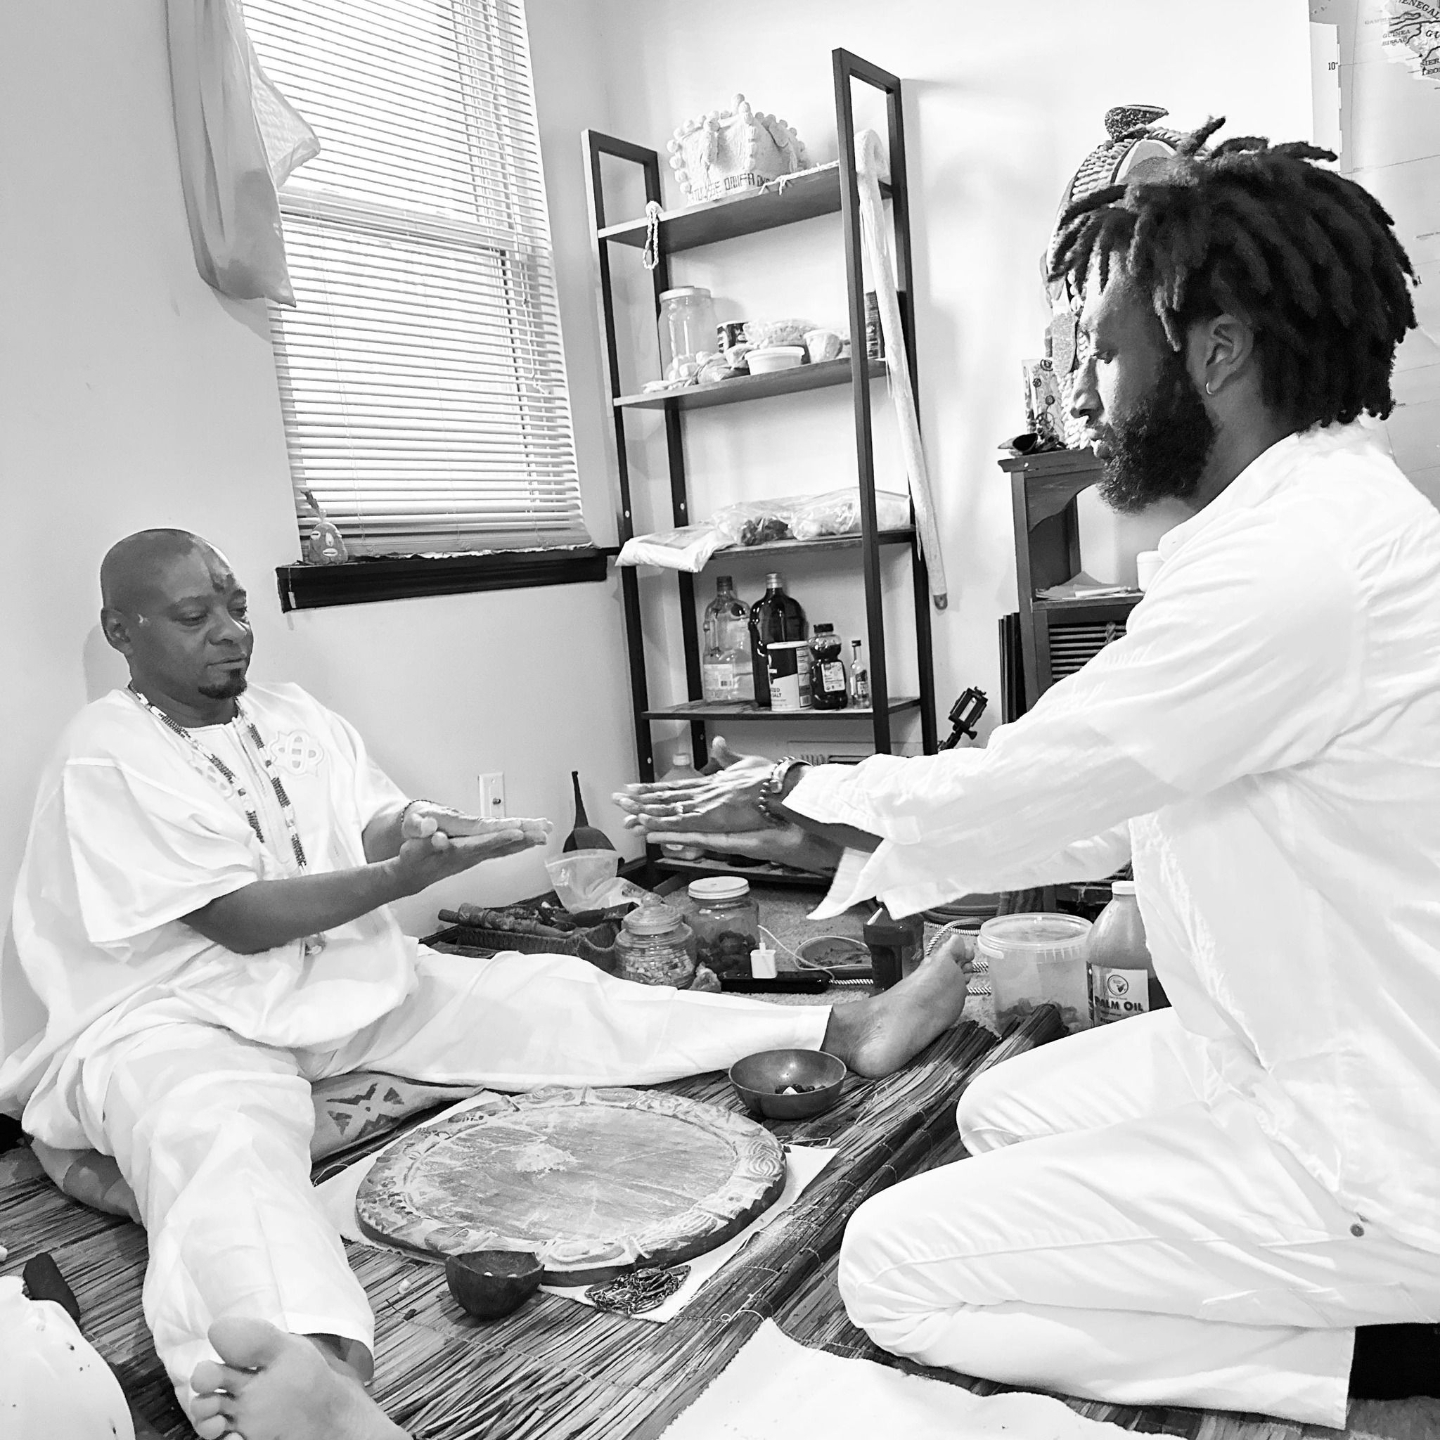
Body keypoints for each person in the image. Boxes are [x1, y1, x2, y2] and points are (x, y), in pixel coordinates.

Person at [617, 122, 1440, 1429]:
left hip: (1374, 1136)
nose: (1082, 390)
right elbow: (1104, 813)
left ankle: (1363, 1364)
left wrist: (797, 796)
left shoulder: (1298, 567)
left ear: (1218, 351)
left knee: (890, 1267)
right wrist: (842, 836)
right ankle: (1260, 1275)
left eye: (1104, 350)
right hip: (1274, 1053)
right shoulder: (1308, 521)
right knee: (1002, 1114)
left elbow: (1020, 793)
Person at [0, 529, 972, 1440]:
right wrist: (402, 878)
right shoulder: (106, 752)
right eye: (194, 615)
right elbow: (237, 917)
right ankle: (312, 1371)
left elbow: (373, 819)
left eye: (236, 604)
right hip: (180, 1017)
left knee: (551, 994)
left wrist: (434, 831)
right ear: (122, 631)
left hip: (340, 978)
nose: (230, 630)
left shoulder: (289, 714)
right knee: (219, 1141)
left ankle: (842, 1027)